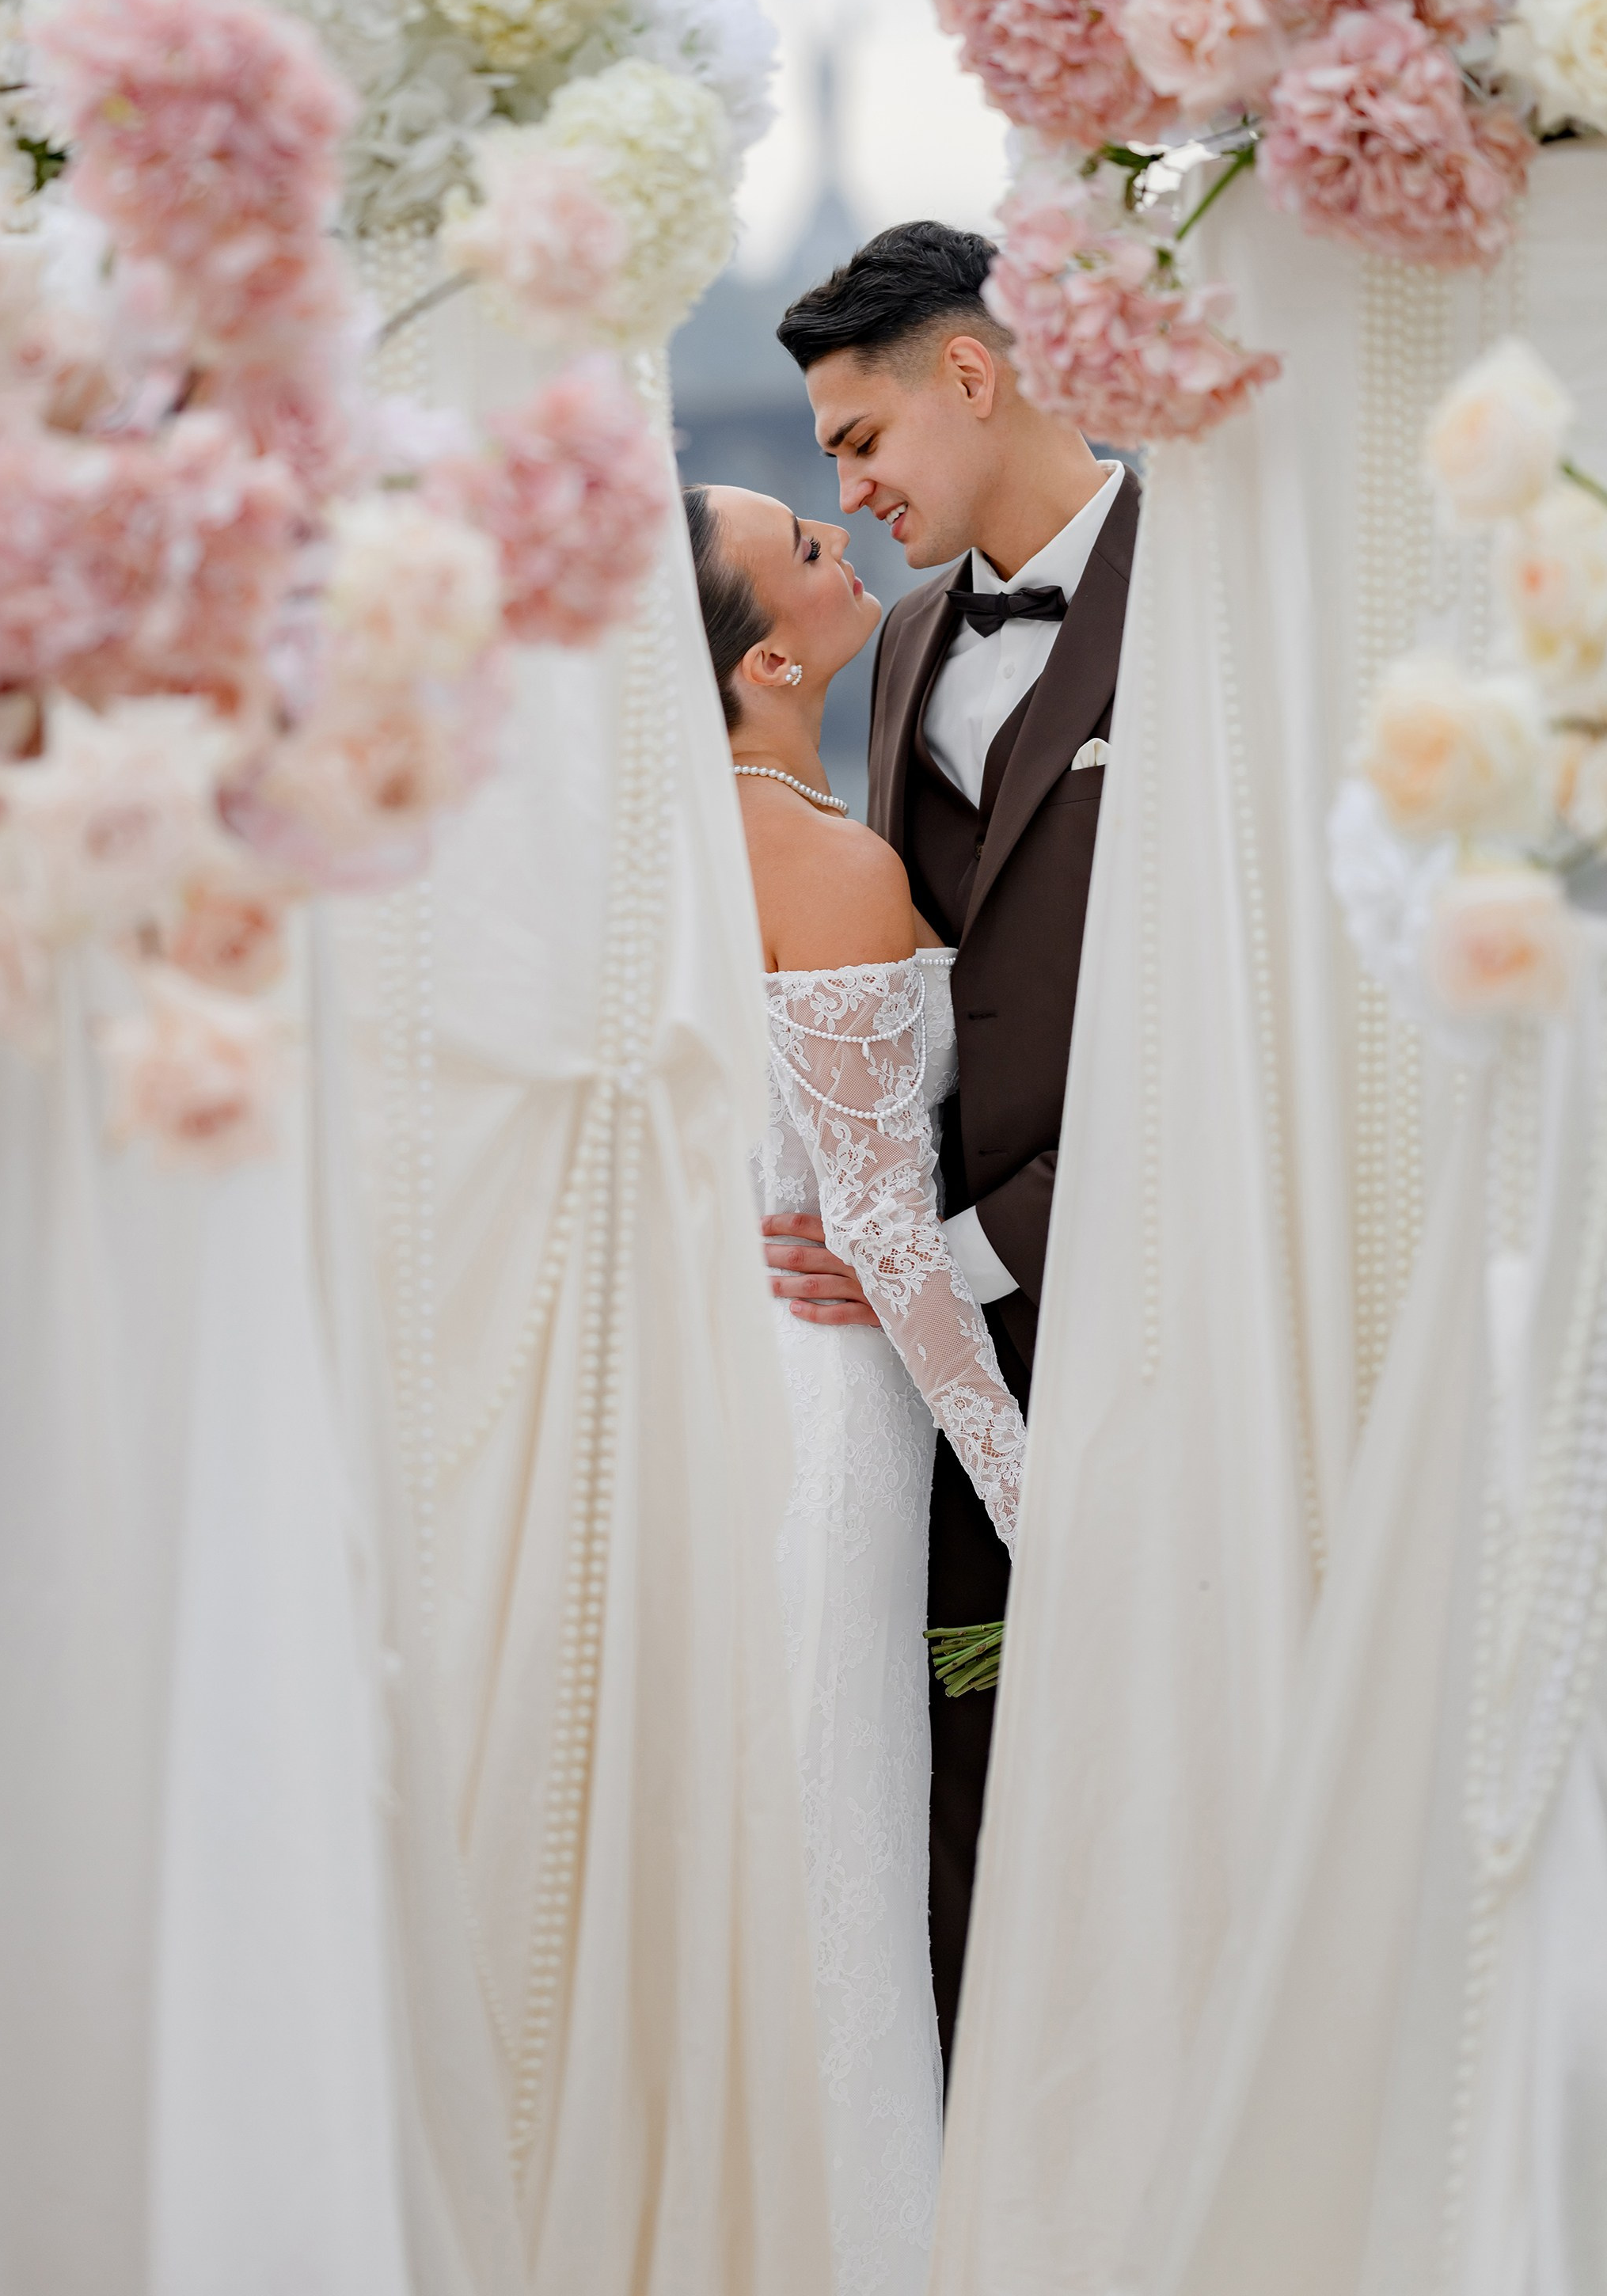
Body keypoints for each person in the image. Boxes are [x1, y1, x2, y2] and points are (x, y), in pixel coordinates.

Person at [766, 220, 1139, 2062]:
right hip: (936, 1370)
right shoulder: (904, 643)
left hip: (1154, 1291)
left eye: (858, 440)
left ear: (971, 376)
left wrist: (965, 1247)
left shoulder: (1212, 600)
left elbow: (1205, 1014)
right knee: (963, 1788)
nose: (849, 487)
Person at [684, 481, 1024, 2296]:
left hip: (744, 1379)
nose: (841, 532)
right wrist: (1045, 1498)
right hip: (840, 1403)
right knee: (843, 1844)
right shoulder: (825, 861)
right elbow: (891, 1243)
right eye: (805, 550)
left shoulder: (678, 846)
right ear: (763, 657)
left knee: (790, 1831)